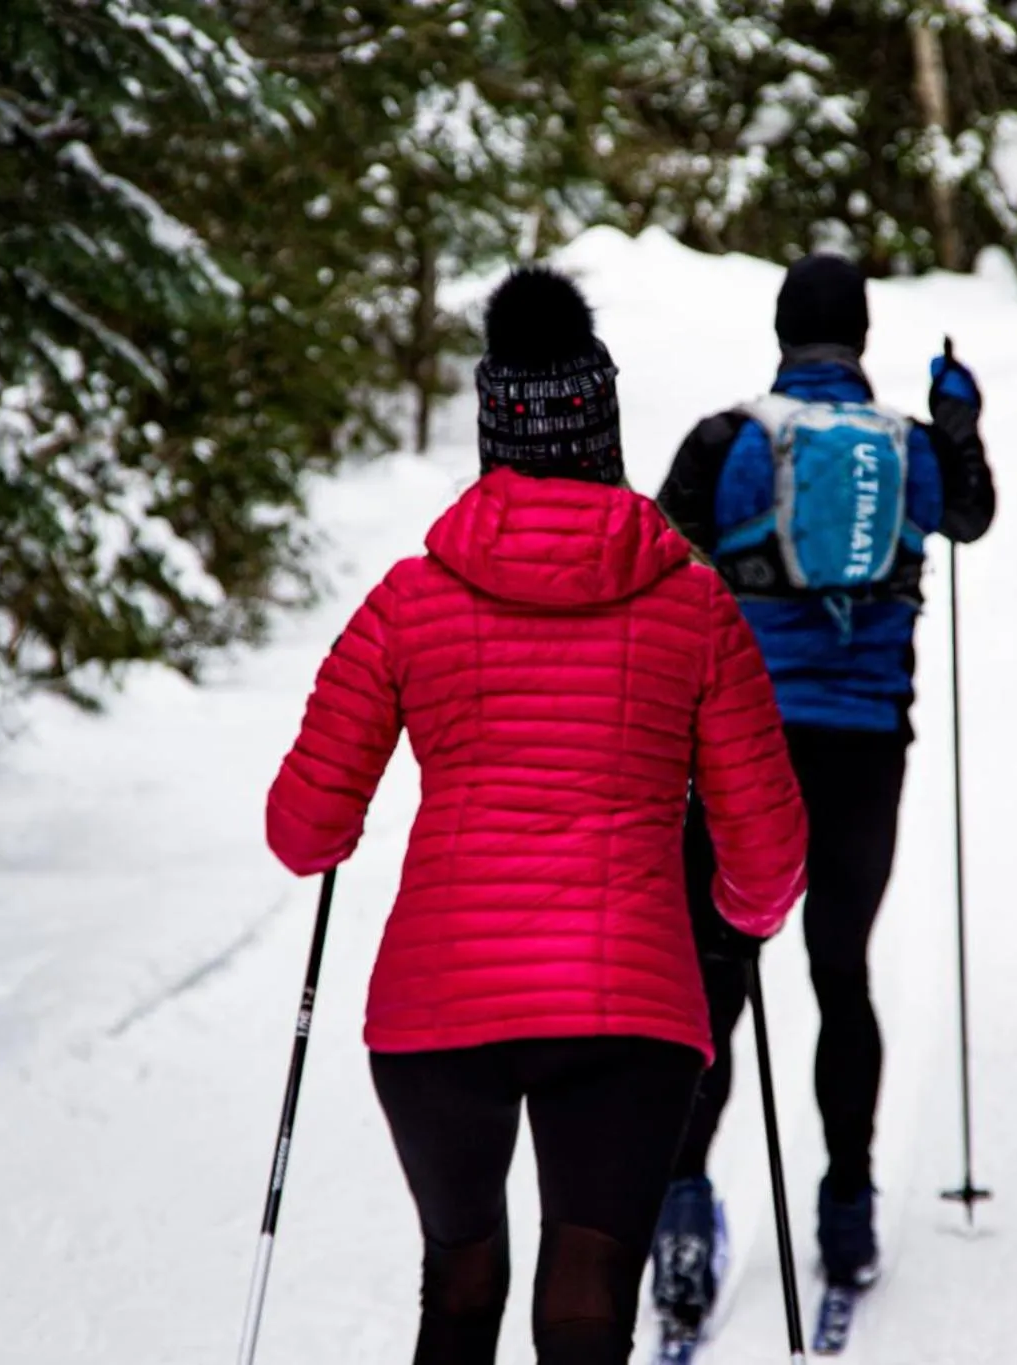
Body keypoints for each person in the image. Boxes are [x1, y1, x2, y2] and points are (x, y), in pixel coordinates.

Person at [263, 265, 808, 1365]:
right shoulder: (693, 602)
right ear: (599, 426)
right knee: (585, 1305)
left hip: (436, 1012)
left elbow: (302, 830)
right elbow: (768, 857)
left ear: (492, 431)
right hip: (631, 1012)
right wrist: (740, 911)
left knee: (459, 1286)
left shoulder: (407, 601)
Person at [649, 252, 996, 1327]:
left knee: (716, 976)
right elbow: (971, 518)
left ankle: (679, 1211)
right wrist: (957, 423)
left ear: (779, 331)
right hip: (864, 751)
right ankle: (845, 1206)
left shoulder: (726, 442)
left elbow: (659, 559)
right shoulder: (905, 448)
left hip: (741, 748)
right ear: (858, 335)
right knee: (839, 974)